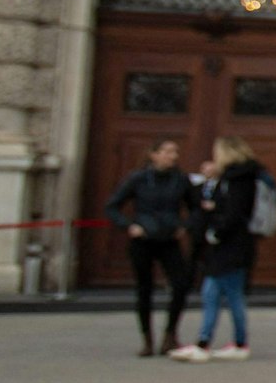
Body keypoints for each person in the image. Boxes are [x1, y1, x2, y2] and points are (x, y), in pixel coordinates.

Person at [167, 137, 260, 364]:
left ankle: (210, 344)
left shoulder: (238, 180)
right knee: (221, 294)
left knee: (221, 294)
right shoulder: (238, 178)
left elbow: (235, 213)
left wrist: (216, 231)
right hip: (232, 246)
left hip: (230, 246)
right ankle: (228, 343)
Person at [103, 138, 195, 356]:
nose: (172, 156)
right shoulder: (138, 179)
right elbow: (112, 206)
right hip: (143, 239)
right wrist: (129, 225)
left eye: (175, 152)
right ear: (153, 154)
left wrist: (185, 226)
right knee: (144, 289)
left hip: (169, 239)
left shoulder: (181, 180)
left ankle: (170, 335)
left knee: (181, 285)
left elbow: (196, 208)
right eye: (167, 151)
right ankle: (147, 339)